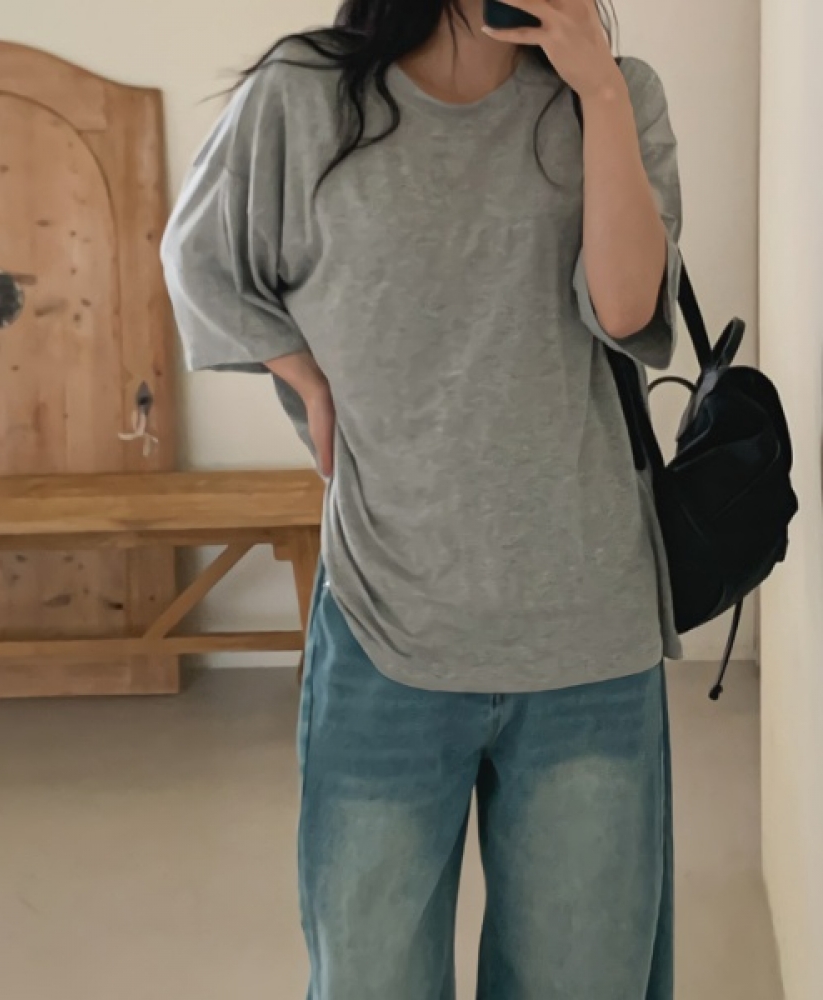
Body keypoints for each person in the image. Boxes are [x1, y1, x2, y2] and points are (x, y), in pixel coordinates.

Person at [162, 1, 683, 996]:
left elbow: (626, 308)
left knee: (583, 979)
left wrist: (601, 90)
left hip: (586, 625)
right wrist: (304, 376)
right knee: (372, 977)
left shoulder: (614, 95)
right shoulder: (306, 93)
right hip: (385, 616)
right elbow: (200, 258)